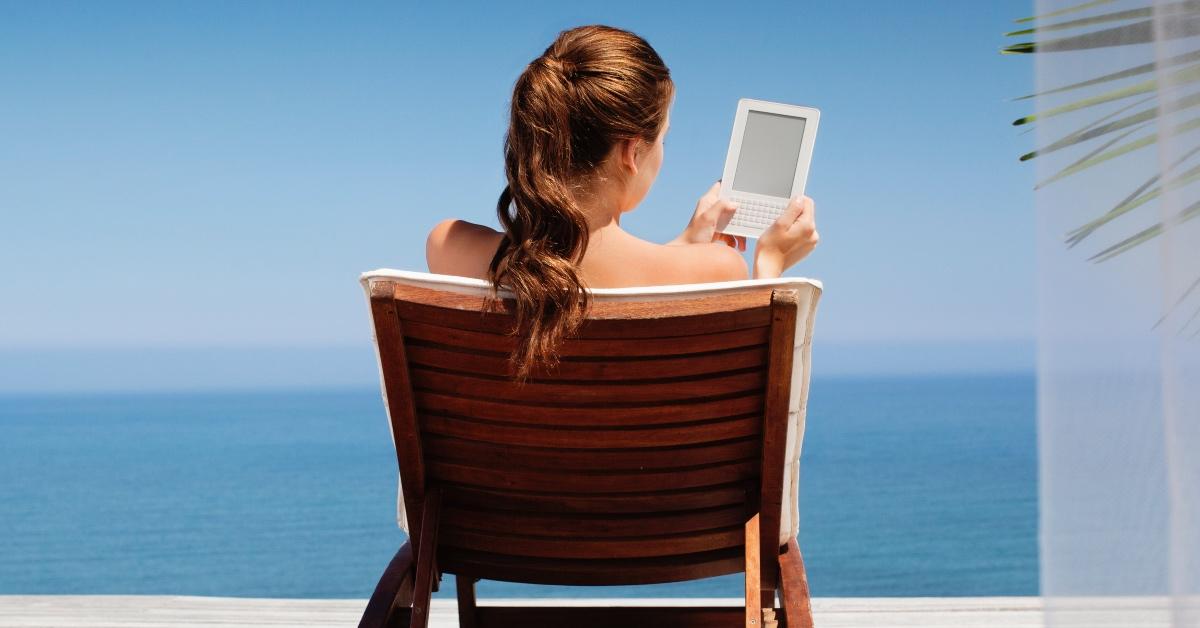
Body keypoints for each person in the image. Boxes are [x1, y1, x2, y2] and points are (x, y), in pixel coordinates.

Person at [426, 25, 819, 377]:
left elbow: (574, 273)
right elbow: (761, 405)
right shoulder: (718, 271)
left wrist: (684, 246)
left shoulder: (448, 246)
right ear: (631, 153)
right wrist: (771, 266)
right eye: (663, 138)